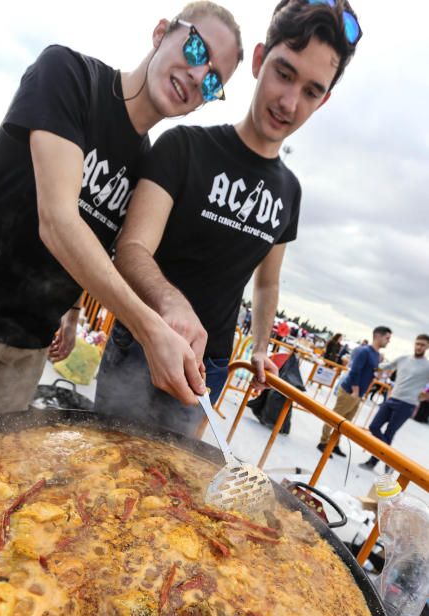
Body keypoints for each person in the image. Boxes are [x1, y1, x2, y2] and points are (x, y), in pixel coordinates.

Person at [0, 2, 243, 420]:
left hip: (32, 338)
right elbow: (58, 222)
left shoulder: (148, 166)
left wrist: (73, 314)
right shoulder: (69, 75)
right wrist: (150, 328)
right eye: (197, 51)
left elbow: (96, 242)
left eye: (214, 82)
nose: (198, 76)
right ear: (162, 31)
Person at [95, 0, 363, 436]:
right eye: (284, 72)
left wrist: (260, 347)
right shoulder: (183, 147)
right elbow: (131, 248)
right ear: (259, 60)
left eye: (312, 91)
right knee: (104, 472)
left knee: (174, 490)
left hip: (211, 364)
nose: (290, 102)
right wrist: (170, 302)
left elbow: (267, 282)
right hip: (142, 341)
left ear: (325, 99)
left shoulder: (290, 192)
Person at [317, 326, 392, 457]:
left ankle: (334, 443)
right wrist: (356, 391)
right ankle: (323, 442)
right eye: (387, 338)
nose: (388, 341)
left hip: (358, 394)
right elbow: (355, 371)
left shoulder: (376, 354)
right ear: (378, 336)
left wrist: (379, 375)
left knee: (345, 423)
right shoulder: (364, 351)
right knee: (335, 418)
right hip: (350, 391)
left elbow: (369, 372)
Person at [360, 334, 429, 471]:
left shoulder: (427, 366)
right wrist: (368, 364)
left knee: (388, 434)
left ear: (427, 347)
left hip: (407, 404)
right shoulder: (403, 359)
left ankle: (372, 463)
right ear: (414, 344)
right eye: (418, 343)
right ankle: (391, 460)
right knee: (374, 426)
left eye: (423, 345)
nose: (419, 347)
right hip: (392, 398)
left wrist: (426, 395)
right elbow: (383, 367)